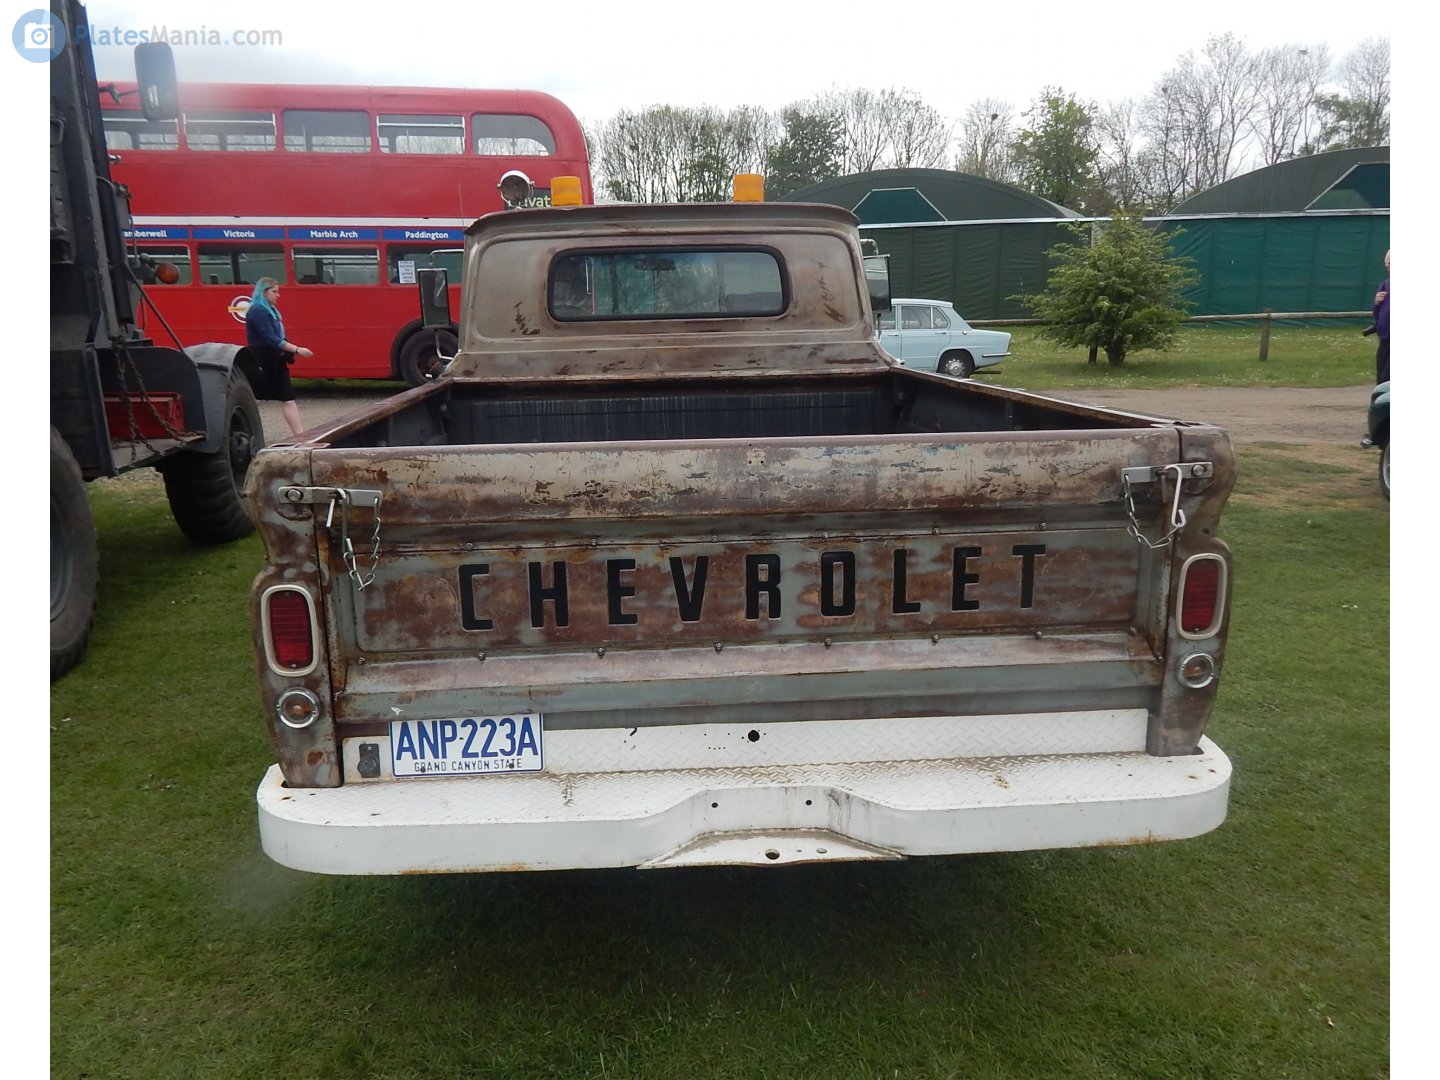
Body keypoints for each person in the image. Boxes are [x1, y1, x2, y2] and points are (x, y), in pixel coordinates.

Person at [244, 277, 312, 436]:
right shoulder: (257, 311)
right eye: (274, 291)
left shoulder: (270, 310)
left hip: (276, 357)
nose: (278, 295)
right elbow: (271, 338)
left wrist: (289, 350)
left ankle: (300, 435)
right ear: (264, 291)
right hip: (262, 358)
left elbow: (279, 337)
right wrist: (297, 349)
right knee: (255, 397)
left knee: (288, 397)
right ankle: (235, 427)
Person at [1371, 249, 1389, 385]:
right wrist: (1377, 303)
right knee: (1381, 374)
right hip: (1385, 338)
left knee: (1387, 376)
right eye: (1386, 263)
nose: (1387, 267)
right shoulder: (1385, 284)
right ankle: (1379, 404)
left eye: (1390, 263)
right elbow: (1377, 314)